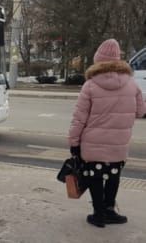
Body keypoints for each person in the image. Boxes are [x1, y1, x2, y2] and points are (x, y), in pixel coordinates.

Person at [68, 38, 145, 228]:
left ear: (98, 61)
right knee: (113, 176)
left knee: (94, 177)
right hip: (119, 144)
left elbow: (79, 118)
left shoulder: (90, 85)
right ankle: (110, 210)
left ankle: (99, 214)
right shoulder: (132, 84)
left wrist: (73, 141)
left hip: (92, 144)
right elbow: (141, 112)